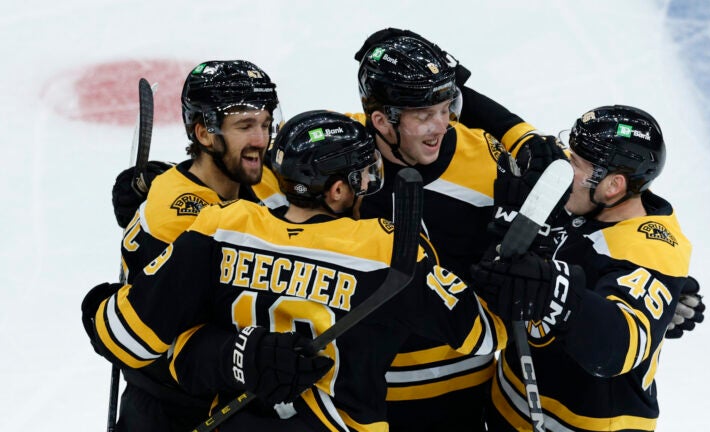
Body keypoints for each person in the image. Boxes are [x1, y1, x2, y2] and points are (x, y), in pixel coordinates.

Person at [84, 110, 506, 432]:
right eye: (363, 177)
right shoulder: (387, 250)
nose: (368, 187)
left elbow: (127, 338)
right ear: (338, 190)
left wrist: (100, 301)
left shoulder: (223, 224)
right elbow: (483, 335)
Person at [350, 28, 544, 432]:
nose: (441, 125)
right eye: (424, 116)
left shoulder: (487, 159)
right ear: (382, 121)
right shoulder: (331, 155)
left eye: (446, 107)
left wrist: (656, 282)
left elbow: (563, 234)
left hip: (466, 388)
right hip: (360, 391)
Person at [83, 59, 285, 432]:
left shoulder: (240, 176)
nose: (261, 139)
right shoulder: (181, 215)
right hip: (168, 411)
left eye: (265, 123)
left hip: (216, 399)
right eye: (245, 126)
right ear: (204, 134)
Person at [472, 105, 692, 431]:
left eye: (574, 162)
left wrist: (552, 289)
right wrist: (452, 82)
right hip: (507, 406)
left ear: (613, 185)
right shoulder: (585, 194)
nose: (563, 166)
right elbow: (513, 129)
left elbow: (615, 346)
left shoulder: (651, 250)